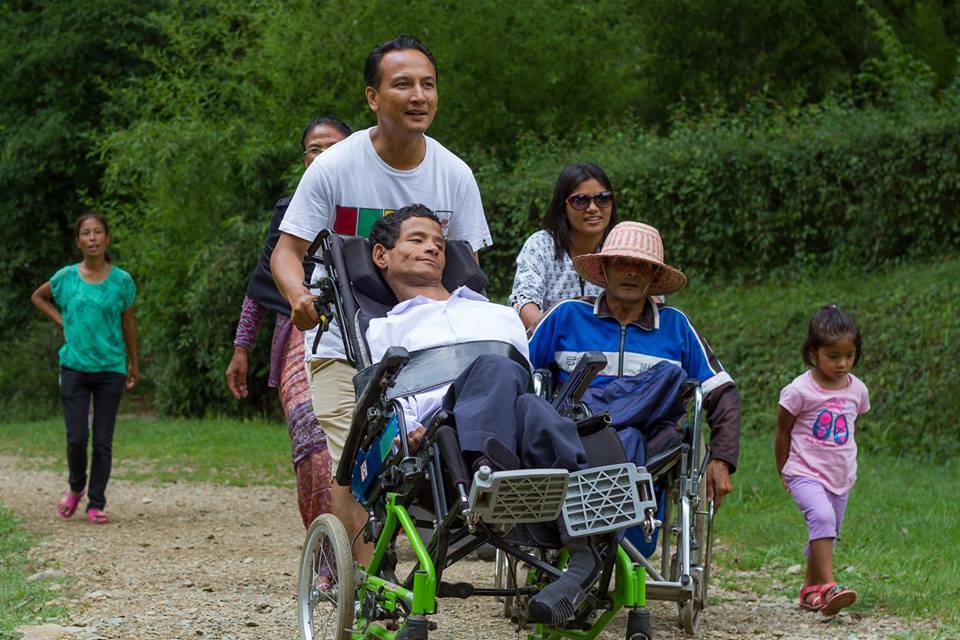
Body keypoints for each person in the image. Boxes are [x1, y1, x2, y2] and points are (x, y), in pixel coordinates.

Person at [271, 35, 492, 562]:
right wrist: (299, 296)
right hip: (341, 338)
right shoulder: (335, 168)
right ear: (373, 98)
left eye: (428, 84)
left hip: (427, 344)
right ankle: (372, 580)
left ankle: (414, 537)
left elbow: (470, 269)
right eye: (403, 84)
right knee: (350, 459)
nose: (419, 95)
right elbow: (287, 250)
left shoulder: (454, 175)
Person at [364, 205, 601, 625]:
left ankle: (580, 552)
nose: (432, 249)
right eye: (417, 240)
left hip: (508, 434)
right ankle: (495, 475)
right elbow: (390, 399)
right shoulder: (384, 329)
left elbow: (526, 385)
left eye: (439, 243)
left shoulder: (499, 315)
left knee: (531, 402)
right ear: (382, 255)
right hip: (444, 437)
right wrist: (405, 431)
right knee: (498, 368)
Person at [528, 221, 741, 511]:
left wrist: (722, 457)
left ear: (654, 276)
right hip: (574, 434)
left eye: (641, 266)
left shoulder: (675, 325)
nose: (630, 271)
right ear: (604, 269)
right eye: (621, 263)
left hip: (648, 439)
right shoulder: (567, 315)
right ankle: (594, 422)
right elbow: (521, 368)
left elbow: (721, 391)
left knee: (664, 383)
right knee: (629, 425)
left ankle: (598, 421)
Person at [224, 116, 351, 530]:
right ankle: (328, 553)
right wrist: (242, 348)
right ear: (304, 159)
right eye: (314, 148)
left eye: (333, 147)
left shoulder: (373, 203)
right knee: (313, 436)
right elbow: (262, 281)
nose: (323, 156)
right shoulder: (288, 211)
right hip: (301, 332)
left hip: (370, 332)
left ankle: (368, 548)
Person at [30, 213, 139, 525]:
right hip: (74, 367)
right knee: (77, 436)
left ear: (106, 238)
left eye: (98, 232)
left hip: (110, 368)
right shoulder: (65, 278)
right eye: (86, 233)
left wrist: (134, 362)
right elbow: (38, 297)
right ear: (78, 240)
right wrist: (61, 320)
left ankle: (96, 502)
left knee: (103, 439)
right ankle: (76, 488)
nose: (92, 238)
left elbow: (128, 323)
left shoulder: (122, 282)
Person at [775, 305, 868, 616]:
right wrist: (783, 470)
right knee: (823, 520)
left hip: (840, 476)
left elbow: (852, 428)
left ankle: (809, 591)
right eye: (833, 356)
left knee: (827, 531)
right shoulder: (799, 390)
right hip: (804, 471)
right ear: (813, 352)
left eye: (850, 355)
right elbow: (783, 430)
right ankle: (830, 587)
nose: (843, 363)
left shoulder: (858, 390)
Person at [509, 162, 617, 329]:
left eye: (602, 198)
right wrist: (555, 336)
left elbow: (653, 298)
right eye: (580, 201)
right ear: (563, 207)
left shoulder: (623, 244)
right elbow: (524, 301)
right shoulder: (541, 245)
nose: (593, 208)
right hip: (553, 343)